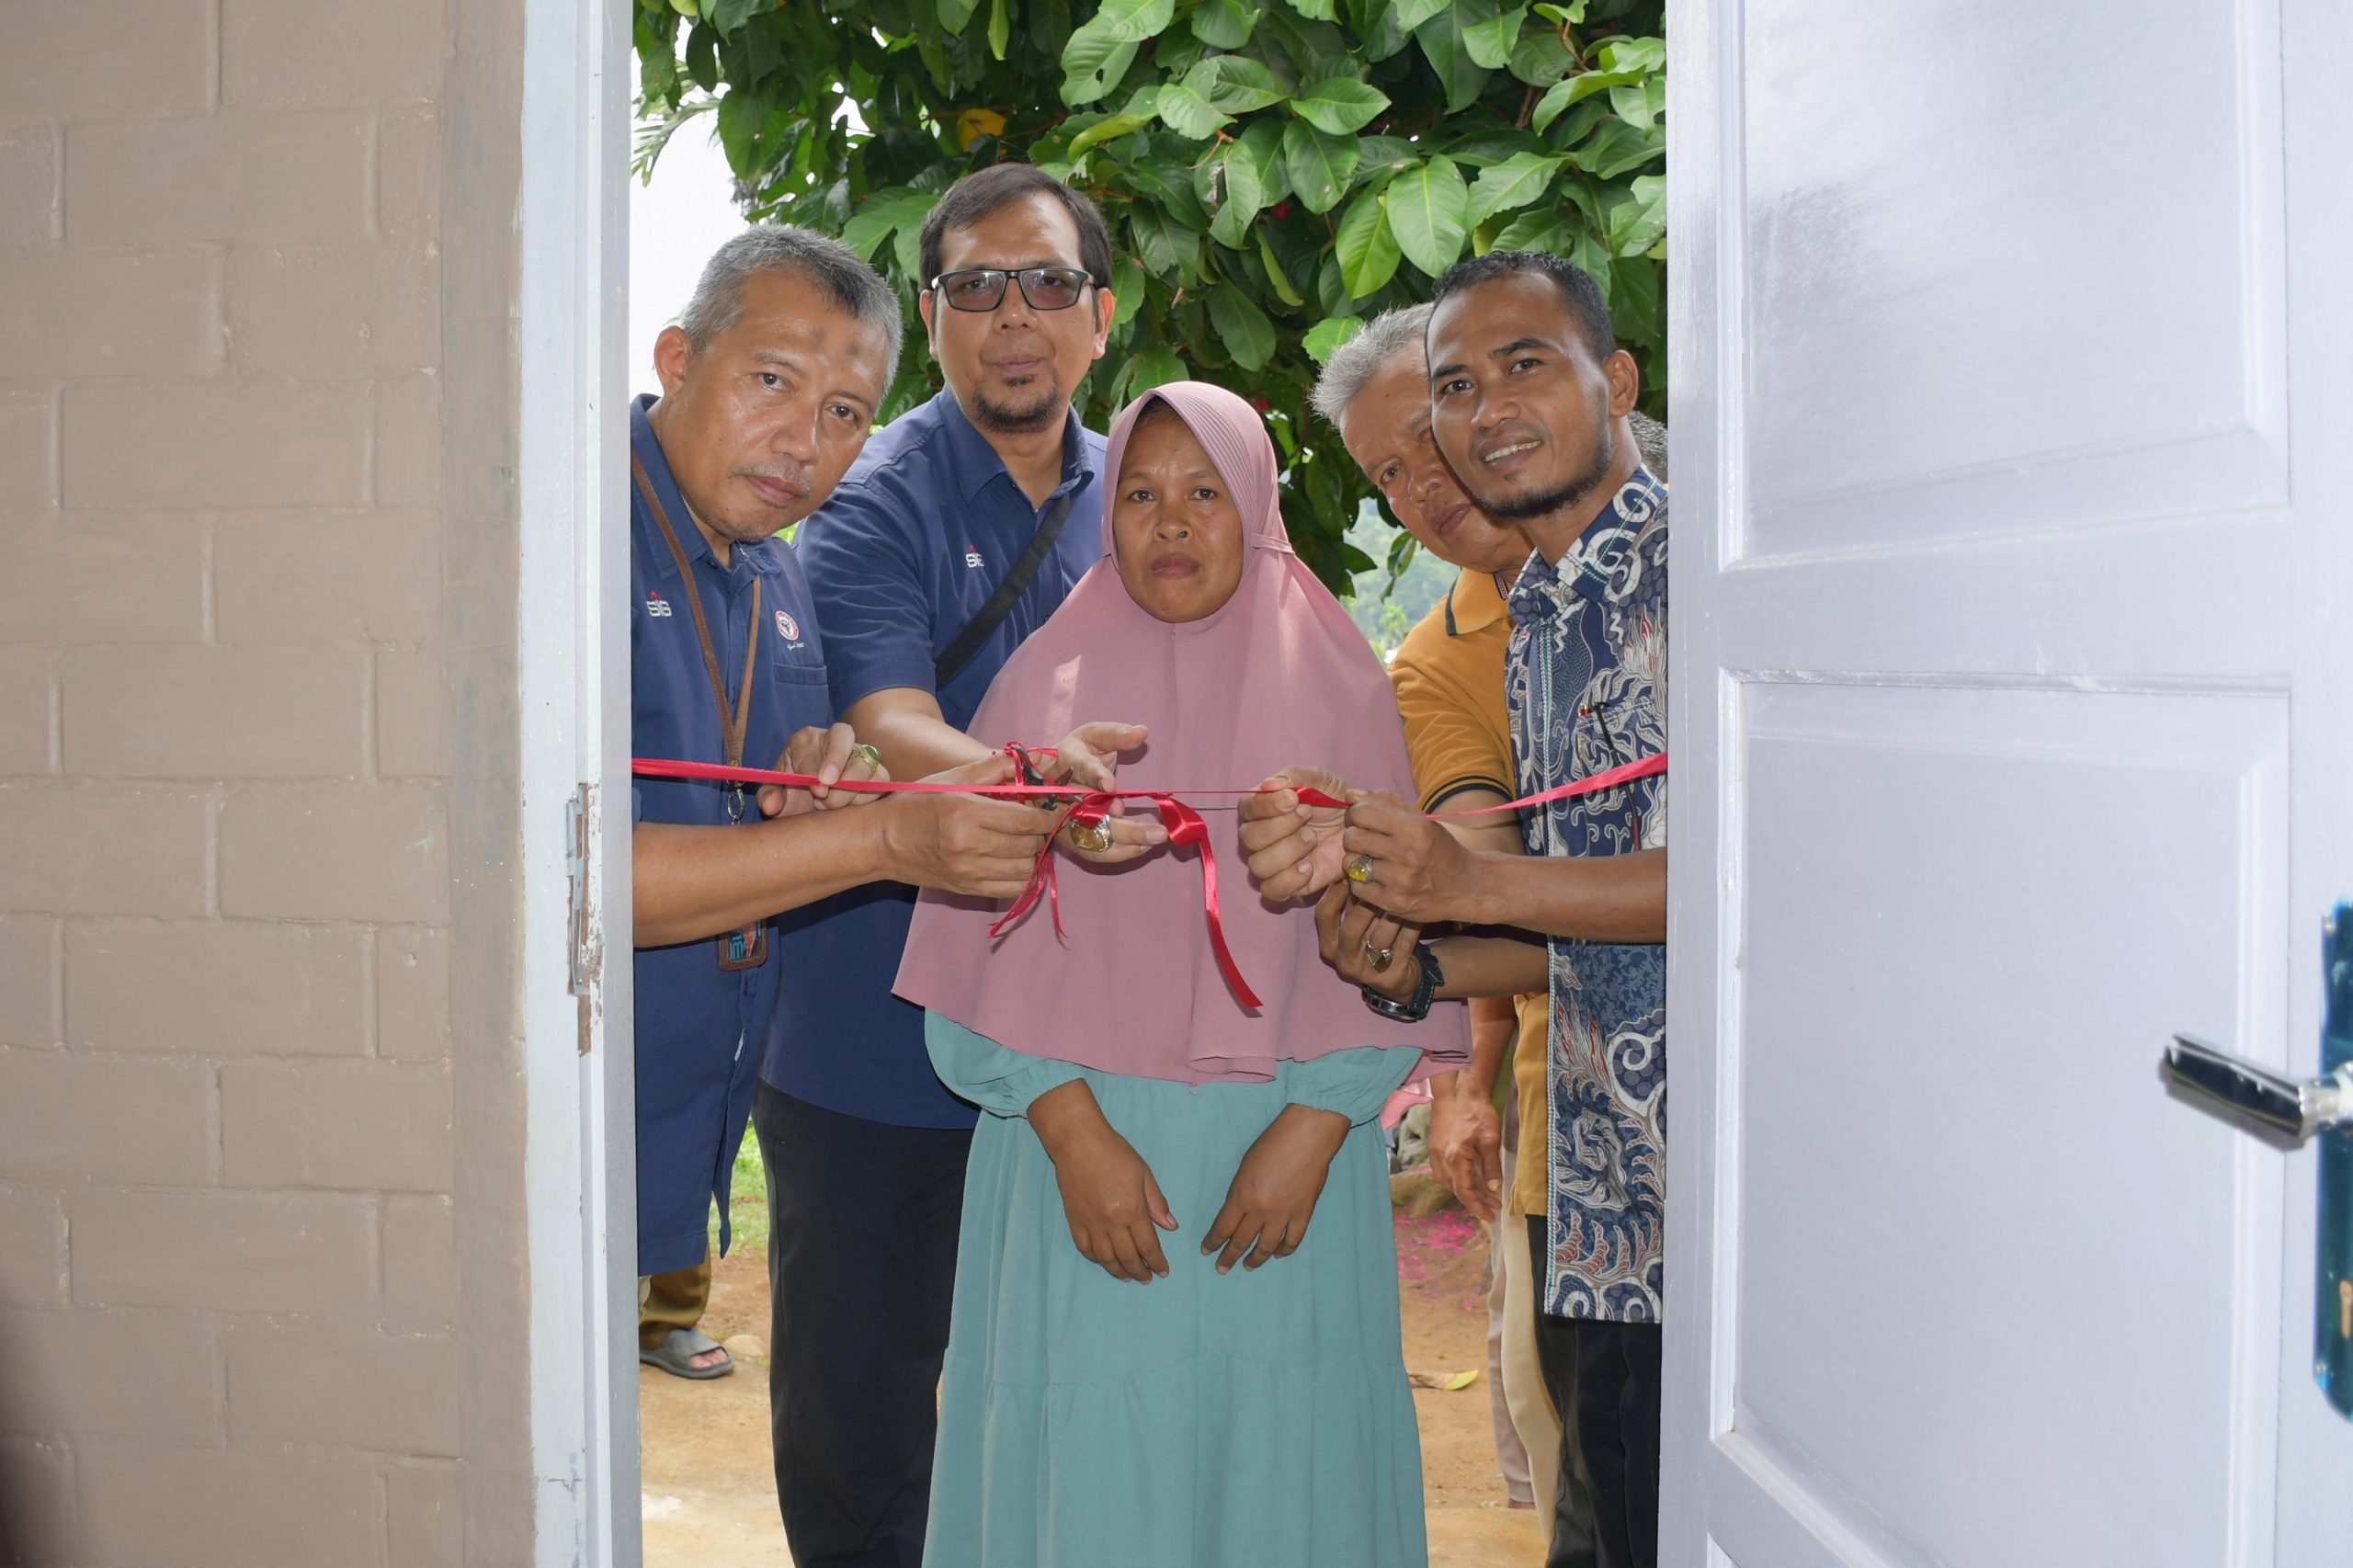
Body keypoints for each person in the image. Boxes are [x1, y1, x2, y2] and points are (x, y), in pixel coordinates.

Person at [896, 381, 1471, 1568]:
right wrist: (1068, 1129)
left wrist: (1316, 1124)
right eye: (1142, 495)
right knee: (1089, 1471)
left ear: (1255, 506)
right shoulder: (1035, 700)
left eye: (1204, 493)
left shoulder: (1351, 693)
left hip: (1288, 1167)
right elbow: (967, 948)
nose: (1170, 523)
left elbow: (1405, 935)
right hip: (1079, 1171)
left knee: (1280, 1460)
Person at [1241, 251, 1667, 1568]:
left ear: (1619, 379)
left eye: (1523, 366)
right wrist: (1408, 963)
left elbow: (1750, 880)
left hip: (1731, 1195)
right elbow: (1578, 912)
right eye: (1457, 391)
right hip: (1603, 1194)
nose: (1477, 425)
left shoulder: (1707, 571)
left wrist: (1456, 883)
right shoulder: (1535, 612)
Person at [758, 165, 1152, 1564]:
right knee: (865, 1414)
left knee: (1059, 1397)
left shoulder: (1146, 494)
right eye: (977, 287)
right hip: (879, 1042)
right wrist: (1037, 778)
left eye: (1048, 283)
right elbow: (888, 722)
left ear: (1101, 316)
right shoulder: (878, 495)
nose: (1015, 316)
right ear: (936, 320)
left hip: (1089, 1039)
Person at [629, 226, 1062, 1381]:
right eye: (773, 381)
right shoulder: (571, 545)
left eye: (845, 413)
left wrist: (804, 793)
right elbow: (578, 880)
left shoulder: (773, 568)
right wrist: (877, 833)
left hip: (672, 1132)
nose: (803, 442)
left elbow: (759, 800)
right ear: (678, 358)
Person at [1312, 302, 1580, 1554]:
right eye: (1387, 474)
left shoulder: (1683, 557)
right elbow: (1488, 874)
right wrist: (1409, 952)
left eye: (1432, 436)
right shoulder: (1431, 666)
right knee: (1601, 1463)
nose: (1424, 486)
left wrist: (1444, 917)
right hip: (1581, 1129)